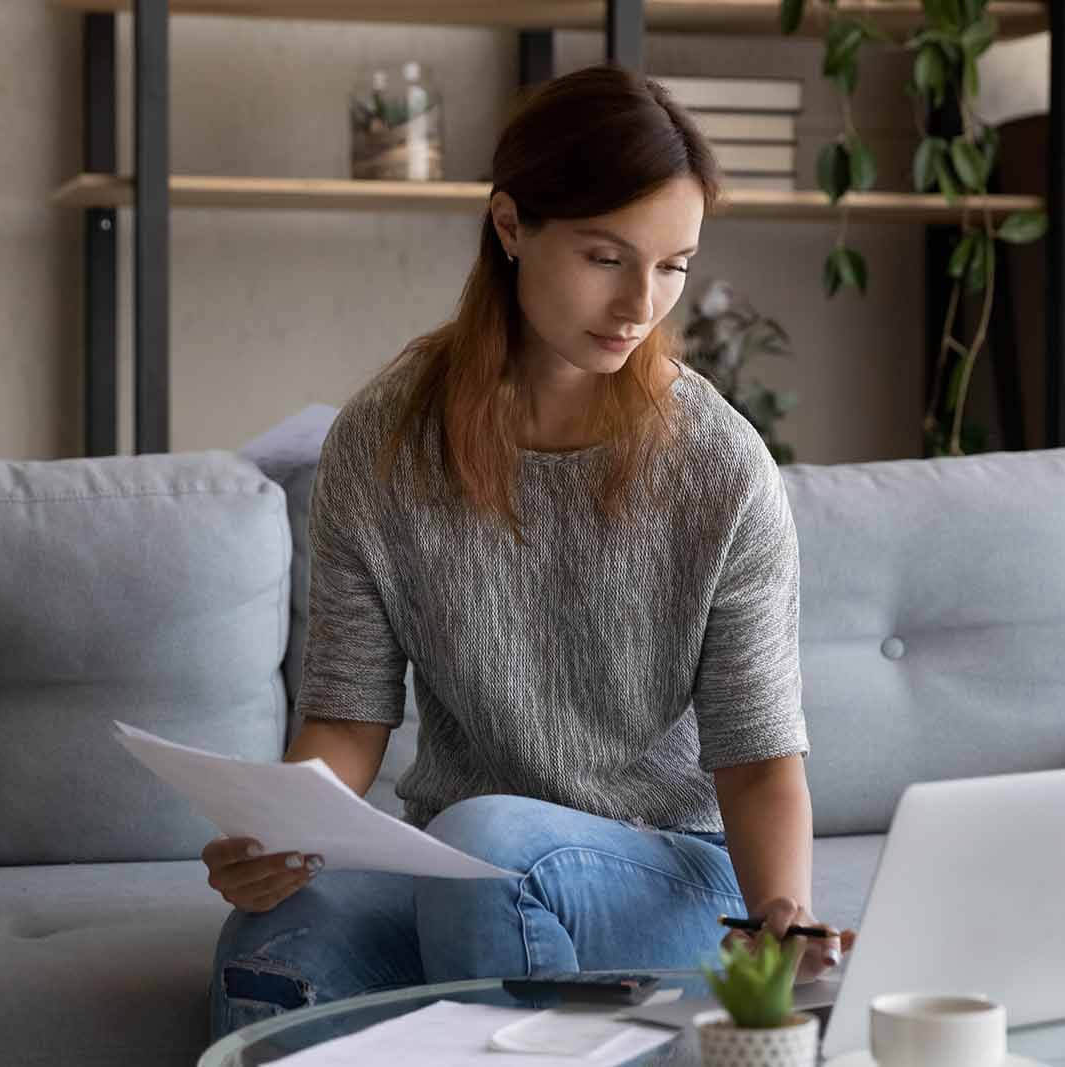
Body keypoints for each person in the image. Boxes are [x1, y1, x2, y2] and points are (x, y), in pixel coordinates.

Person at [203, 63, 856, 1042]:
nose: (642, 303)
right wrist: (282, 832)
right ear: (510, 226)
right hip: (458, 864)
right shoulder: (384, 438)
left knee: (490, 841)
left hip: (668, 867)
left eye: (673, 264)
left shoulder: (718, 466)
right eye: (606, 256)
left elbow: (759, 759)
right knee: (275, 941)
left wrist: (782, 922)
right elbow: (346, 717)